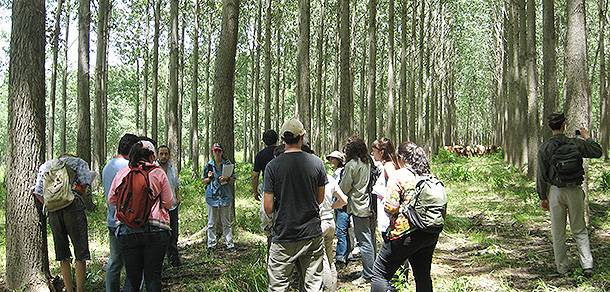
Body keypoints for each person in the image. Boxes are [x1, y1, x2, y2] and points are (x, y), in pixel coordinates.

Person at [263, 119, 328, 291]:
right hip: (311, 233)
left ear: (283, 140)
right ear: (302, 138)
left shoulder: (272, 167)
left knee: (278, 286)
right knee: (314, 285)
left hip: (284, 233)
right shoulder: (317, 163)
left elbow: (268, 207)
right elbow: (320, 199)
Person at [537, 113, 602, 277]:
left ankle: (562, 269)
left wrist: (542, 196)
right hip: (575, 191)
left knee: (558, 232)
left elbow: (541, 175)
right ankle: (587, 266)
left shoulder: (545, 148)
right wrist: (587, 137)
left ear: (549, 127)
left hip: (556, 192)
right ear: (564, 125)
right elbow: (597, 152)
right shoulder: (575, 143)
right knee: (579, 229)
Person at [371, 142, 440, 292]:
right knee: (422, 275)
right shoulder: (428, 176)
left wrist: (391, 207)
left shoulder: (399, 175)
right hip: (428, 232)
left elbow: (390, 207)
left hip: (404, 232)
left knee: (380, 273)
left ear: (401, 158)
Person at [108, 141, 175, 292]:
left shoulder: (123, 173)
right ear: (152, 156)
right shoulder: (158, 173)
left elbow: (112, 199)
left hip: (126, 229)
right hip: (156, 229)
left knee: (132, 278)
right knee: (152, 277)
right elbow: (169, 202)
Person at [32, 154, 93, 292]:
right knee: (80, 254)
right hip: (73, 209)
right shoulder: (79, 162)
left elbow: (37, 191)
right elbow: (84, 185)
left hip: (53, 211)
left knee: (63, 255)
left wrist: (50, 204)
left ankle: (69, 289)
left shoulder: (45, 166)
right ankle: (80, 290)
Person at [102, 133, 139, 292]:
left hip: (112, 219)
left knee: (115, 261)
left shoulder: (107, 166)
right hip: (127, 221)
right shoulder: (127, 167)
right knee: (135, 263)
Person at [339, 136, 376, 285]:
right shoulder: (370, 161)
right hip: (372, 205)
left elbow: (344, 187)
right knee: (371, 238)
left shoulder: (352, 165)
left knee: (364, 241)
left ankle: (368, 274)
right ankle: (373, 270)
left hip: (359, 206)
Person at [321, 152, 349, 291]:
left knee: (323, 260)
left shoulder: (314, 179)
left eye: (334, 158)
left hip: (320, 223)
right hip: (330, 221)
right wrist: (330, 207)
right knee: (330, 259)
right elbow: (344, 200)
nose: (331, 160)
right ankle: (333, 286)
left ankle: (328, 288)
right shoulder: (330, 178)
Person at [202, 142, 237, 251]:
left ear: (222, 152)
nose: (217, 153)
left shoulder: (227, 164)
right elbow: (204, 180)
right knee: (211, 222)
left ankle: (229, 244)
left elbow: (233, 179)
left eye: (219, 151)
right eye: (215, 151)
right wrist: (209, 177)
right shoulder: (209, 165)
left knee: (226, 222)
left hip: (225, 196)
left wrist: (226, 178)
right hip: (212, 196)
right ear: (213, 152)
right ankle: (211, 244)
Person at [156, 145, 182, 267]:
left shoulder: (171, 169)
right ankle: (160, 261)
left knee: (174, 232)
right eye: (161, 154)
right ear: (157, 155)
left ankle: (174, 258)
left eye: (166, 154)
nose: (164, 156)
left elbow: (175, 184)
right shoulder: (154, 170)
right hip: (160, 209)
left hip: (172, 206)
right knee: (162, 234)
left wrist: (177, 197)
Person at [327, 151, 353, 270]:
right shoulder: (336, 173)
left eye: (334, 159)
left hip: (342, 205)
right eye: (330, 159)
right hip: (338, 204)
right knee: (343, 230)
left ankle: (341, 257)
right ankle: (347, 253)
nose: (332, 161)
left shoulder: (342, 172)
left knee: (341, 231)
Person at [371, 138, 400, 235]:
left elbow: (395, 185)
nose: (372, 154)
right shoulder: (388, 165)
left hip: (389, 214)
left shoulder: (388, 166)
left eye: (374, 151)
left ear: (381, 152)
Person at [252, 129, 279, 201]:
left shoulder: (260, 155)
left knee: (267, 210)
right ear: (276, 140)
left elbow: (255, 175)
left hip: (267, 186)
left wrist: (255, 191)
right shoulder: (282, 152)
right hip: (282, 186)